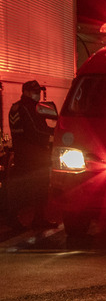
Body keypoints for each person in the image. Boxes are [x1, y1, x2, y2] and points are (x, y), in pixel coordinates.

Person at [7, 80, 56, 229]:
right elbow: (35, 131)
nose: (38, 95)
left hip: (23, 155)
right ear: (26, 92)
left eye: (39, 92)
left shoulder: (17, 107)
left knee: (23, 189)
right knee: (38, 188)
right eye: (35, 92)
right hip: (34, 155)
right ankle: (37, 219)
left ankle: (16, 220)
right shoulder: (28, 108)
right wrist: (54, 135)